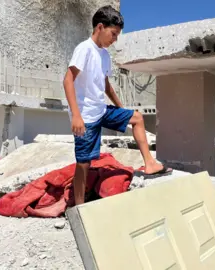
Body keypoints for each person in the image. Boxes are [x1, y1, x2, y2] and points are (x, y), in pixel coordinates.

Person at [62, 5, 172, 205]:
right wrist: (76, 116)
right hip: (85, 116)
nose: (115, 39)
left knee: (136, 117)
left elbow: (106, 86)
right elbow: (68, 80)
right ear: (100, 27)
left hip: (101, 110)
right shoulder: (84, 49)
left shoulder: (104, 55)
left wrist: (121, 108)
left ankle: (150, 164)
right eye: (113, 34)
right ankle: (78, 207)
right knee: (84, 163)